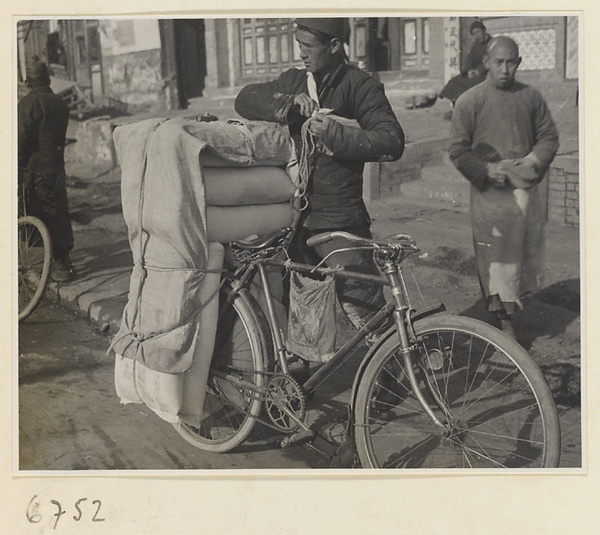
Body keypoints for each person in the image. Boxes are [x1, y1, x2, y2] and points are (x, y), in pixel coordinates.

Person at [235, 17, 405, 330]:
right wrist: (286, 104)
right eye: (299, 45)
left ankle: (391, 374)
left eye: (308, 46)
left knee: (365, 307)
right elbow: (245, 99)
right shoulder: (294, 81)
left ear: (335, 45)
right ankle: (304, 375)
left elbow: (392, 140)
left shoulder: (360, 86)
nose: (302, 53)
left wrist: (337, 136)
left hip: (339, 218)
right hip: (295, 221)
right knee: (301, 311)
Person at [448, 36, 559, 338]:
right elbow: (457, 150)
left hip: (524, 191)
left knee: (524, 258)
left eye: (511, 62)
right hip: (490, 195)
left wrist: (534, 160)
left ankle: (512, 310)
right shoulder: (471, 100)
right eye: (499, 62)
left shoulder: (531, 97)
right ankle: (504, 325)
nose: (505, 69)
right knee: (497, 262)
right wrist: (485, 169)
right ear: (486, 63)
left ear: (519, 63)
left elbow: (548, 137)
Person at [18, 59, 75, 282]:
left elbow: (20, 141)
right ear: (49, 80)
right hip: (57, 168)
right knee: (59, 209)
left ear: (27, 81)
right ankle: (62, 261)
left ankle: (59, 263)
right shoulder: (60, 103)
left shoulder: (27, 104)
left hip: (35, 171)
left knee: (41, 213)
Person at [439, 20, 492, 119]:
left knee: (472, 84)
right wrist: (469, 70)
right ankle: (456, 109)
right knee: (456, 81)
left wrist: (479, 71)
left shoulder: (492, 43)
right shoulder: (475, 47)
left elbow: (492, 61)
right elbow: (469, 60)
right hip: (474, 74)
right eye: (474, 34)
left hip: (487, 74)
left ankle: (469, 112)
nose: (477, 36)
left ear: (484, 31)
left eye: (478, 32)